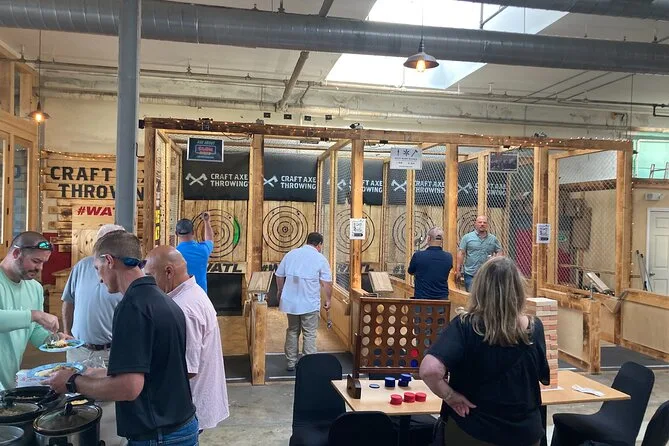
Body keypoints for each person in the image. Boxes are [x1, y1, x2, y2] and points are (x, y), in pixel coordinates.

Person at [48, 231, 198, 445]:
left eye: (97, 268)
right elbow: (152, 368)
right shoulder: (161, 299)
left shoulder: (132, 307)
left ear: (109, 261)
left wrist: (72, 382)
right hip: (178, 425)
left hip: (158, 436)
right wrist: (93, 373)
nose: (99, 279)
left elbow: (129, 388)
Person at [420, 257, 550, 446]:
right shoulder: (534, 328)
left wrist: (450, 397)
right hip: (525, 434)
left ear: (479, 289)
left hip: (475, 430)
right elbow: (540, 374)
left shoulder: (465, 326)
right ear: (518, 289)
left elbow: (430, 370)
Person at [144, 245, 230, 431]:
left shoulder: (184, 307)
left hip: (189, 407)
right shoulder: (192, 293)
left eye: (150, 276)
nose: (149, 283)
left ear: (168, 272)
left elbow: (188, 368)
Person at [0, 232, 64, 390]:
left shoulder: (35, 288)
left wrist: (53, 340)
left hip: (9, 380)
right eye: (36, 261)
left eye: (43, 263)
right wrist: (34, 315)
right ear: (16, 253)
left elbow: (34, 330)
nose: (40, 268)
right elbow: (32, 318)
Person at [62, 224, 125, 365]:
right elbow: (68, 301)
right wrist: (67, 333)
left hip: (111, 352)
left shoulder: (127, 273)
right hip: (78, 350)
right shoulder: (81, 266)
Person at [275, 232, 332, 372]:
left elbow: (279, 275)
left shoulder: (291, 254)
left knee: (292, 330)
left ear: (307, 241)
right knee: (309, 333)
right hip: (310, 303)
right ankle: (308, 365)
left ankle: (290, 362)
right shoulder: (320, 258)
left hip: (291, 302)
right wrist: (328, 299)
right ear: (319, 244)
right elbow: (327, 283)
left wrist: (280, 291)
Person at [456, 216, 503, 291]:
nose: (482, 224)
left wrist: (495, 261)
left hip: (487, 274)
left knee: (486, 296)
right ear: (475, 224)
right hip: (470, 274)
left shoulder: (493, 239)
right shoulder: (467, 238)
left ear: (487, 225)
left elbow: (499, 251)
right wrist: (458, 270)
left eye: (484, 222)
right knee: (471, 295)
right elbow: (461, 253)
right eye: (480, 222)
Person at [407, 227, 453, 300]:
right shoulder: (448, 257)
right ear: (442, 240)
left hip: (422, 300)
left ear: (428, 238)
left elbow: (410, 271)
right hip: (442, 300)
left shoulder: (418, 256)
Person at [176, 213, 214, 293]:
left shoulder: (174, 253)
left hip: (181, 296)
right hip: (200, 295)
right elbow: (210, 239)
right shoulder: (203, 250)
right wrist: (206, 221)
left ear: (176, 234)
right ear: (193, 232)